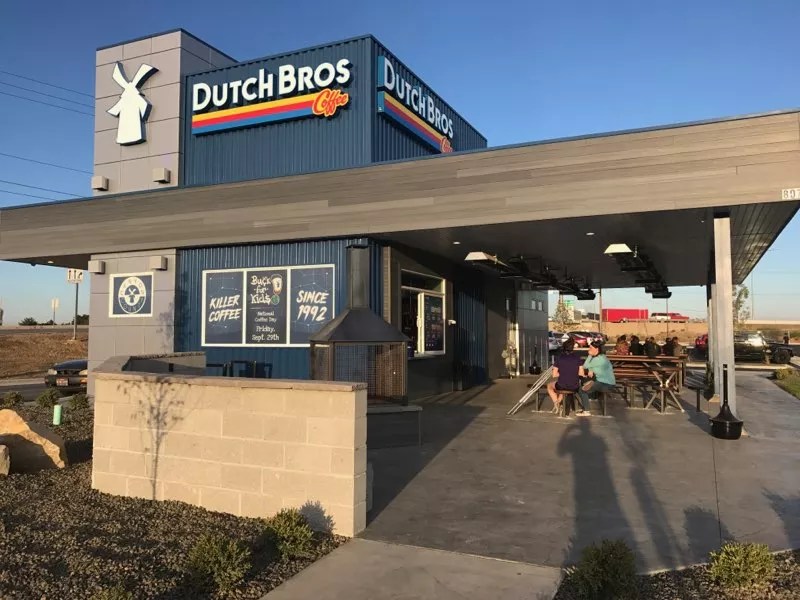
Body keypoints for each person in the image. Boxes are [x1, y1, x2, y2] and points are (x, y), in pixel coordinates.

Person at [576, 340, 616, 416]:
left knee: (582, 390)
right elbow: (594, 367)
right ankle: (585, 407)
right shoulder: (602, 357)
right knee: (584, 385)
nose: (589, 349)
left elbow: (585, 366)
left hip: (606, 384)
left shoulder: (597, 359)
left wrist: (589, 355)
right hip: (606, 382)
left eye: (591, 348)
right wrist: (591, 369)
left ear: (597, 349)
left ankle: (586, 411)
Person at [546, 338, 582, 414]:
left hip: (562, 385)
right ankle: (559, 404)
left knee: (549, 386)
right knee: (565, 388)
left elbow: (554, 374)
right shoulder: (577, 358)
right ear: (572, 348)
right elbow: (580, 373)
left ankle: (556, 403)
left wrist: (562, 373)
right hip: (574, 385)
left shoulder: (559, 358)